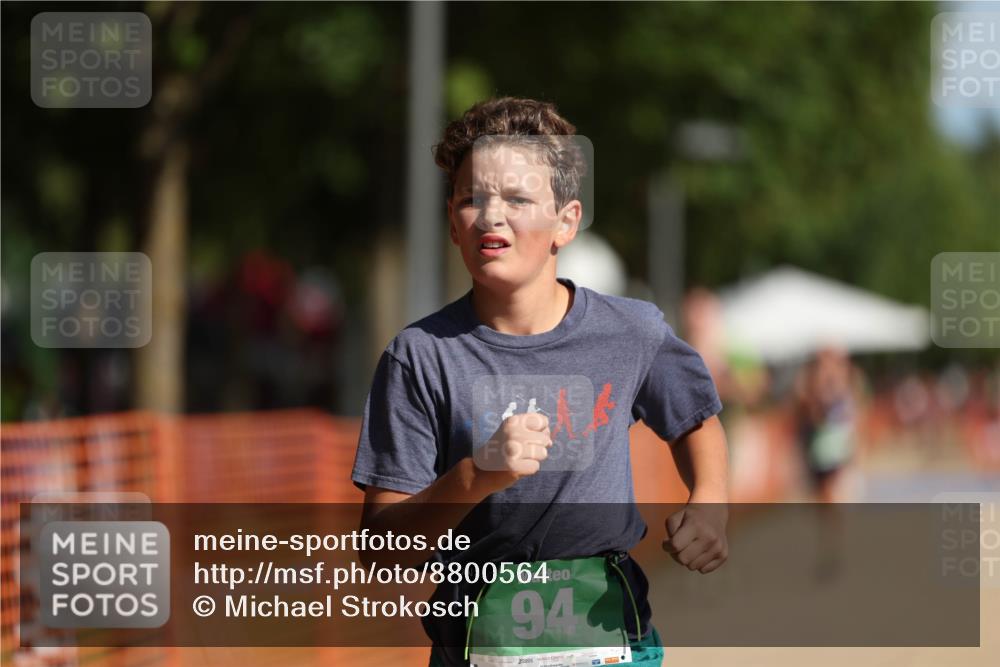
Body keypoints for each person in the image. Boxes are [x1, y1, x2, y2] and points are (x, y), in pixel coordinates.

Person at [350, 97, 729, 667]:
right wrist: (475, 475)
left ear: (566, 222)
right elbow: (382, 549)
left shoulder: (631, 332)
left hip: (612, 642)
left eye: (518, 199)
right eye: (471, 198)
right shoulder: (419, 358)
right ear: (452, 221)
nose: (491, 216)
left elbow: (696, 423)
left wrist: (710, 505)